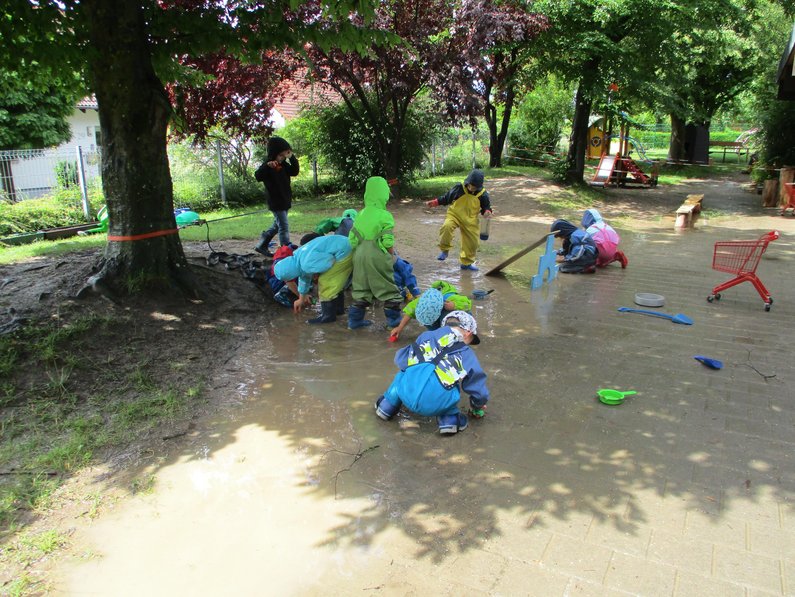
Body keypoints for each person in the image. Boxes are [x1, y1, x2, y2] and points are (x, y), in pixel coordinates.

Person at [374, 311, 489, 435]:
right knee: (452, 385)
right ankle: (449, 421)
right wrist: (477, 405)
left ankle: (386, 406)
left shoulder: (425, 336)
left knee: (403, 374)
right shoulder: (466, 353)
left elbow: (400, 360)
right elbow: (477, 385)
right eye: (471, 341)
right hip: (436, 404)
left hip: (404, 392)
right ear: (468, 333)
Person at [347, 176, 405, 330]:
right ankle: (394, 323)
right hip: (377, 254)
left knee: (361, 289)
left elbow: (352, 240)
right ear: (383, 194)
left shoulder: (360, 214)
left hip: (359, 255)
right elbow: (387, 242)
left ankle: (354, 322)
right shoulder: (385, 215)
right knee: (388, 289)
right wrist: (392, 256)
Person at [273, 234, 352, 324]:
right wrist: (301, 299)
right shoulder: (297, 257)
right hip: (344, 244)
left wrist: (317, 273)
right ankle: (338, 310)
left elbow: (330, 260)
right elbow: (304, 279)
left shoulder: (306, 264)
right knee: (335, 282)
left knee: (325, 282)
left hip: (344, 252)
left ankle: (328, 316)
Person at [426, 169, 492, 271]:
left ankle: (466, 263)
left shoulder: (483, 194)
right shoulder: (459, 188)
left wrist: (487, 212)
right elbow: (446, 198)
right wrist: (435, 202)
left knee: (473, 243)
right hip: (454, 215)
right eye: (470, 185)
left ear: (479, 187)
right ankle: (445, 250)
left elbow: (486, 207)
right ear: (467, 182)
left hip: (470, 220)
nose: (471, 188)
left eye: (474, 187)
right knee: (447, 227)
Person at [253, 136, 300, 257]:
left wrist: (291, 157)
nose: (282, 158)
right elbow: (258, 176)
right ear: (273, 154)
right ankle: (285, 250)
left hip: (285, 200)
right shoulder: (268, 165)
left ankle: (262, 243)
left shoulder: (284, 165)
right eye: (280, 155)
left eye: (284, 156)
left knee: (276, 226)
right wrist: (267, 166)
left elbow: (295, 171)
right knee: (283, 226)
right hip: (275, 202)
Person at [389, 281, 472, 341]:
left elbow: (468, 304)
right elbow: (409, 312)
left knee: (451, 318)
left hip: (453, 309)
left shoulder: (451, 298)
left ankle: (460, 331)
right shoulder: (422, 302)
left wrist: (454, 305)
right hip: (438, 309)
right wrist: (399, 328)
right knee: (433, 328)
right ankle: (438, 332)